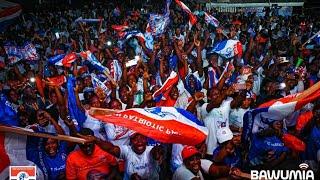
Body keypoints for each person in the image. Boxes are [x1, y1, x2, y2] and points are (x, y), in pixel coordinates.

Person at [82, 132, 164, 180]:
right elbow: (111, 149)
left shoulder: (152, 150)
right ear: (131, 141)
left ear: (146, 140)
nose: (139, 142)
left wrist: (159, 153)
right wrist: (96, 140)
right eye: (135, 139)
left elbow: (156, 152)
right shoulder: (127, 150)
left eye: (142, 138)